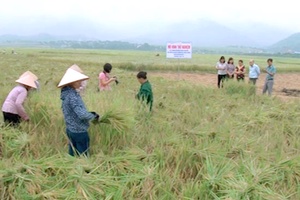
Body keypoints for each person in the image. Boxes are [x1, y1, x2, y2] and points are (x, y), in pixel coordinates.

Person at [58, 68, 100, 156]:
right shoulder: (72, 96)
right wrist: (93, 116)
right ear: (72, 82)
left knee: (72, 155)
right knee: (83, 157)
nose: (81, 82)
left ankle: (72, 169)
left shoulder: (65, 94)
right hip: (79, 131)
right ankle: (82, 169)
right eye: (78, 81)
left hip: (70, 129)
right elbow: (81, 114)